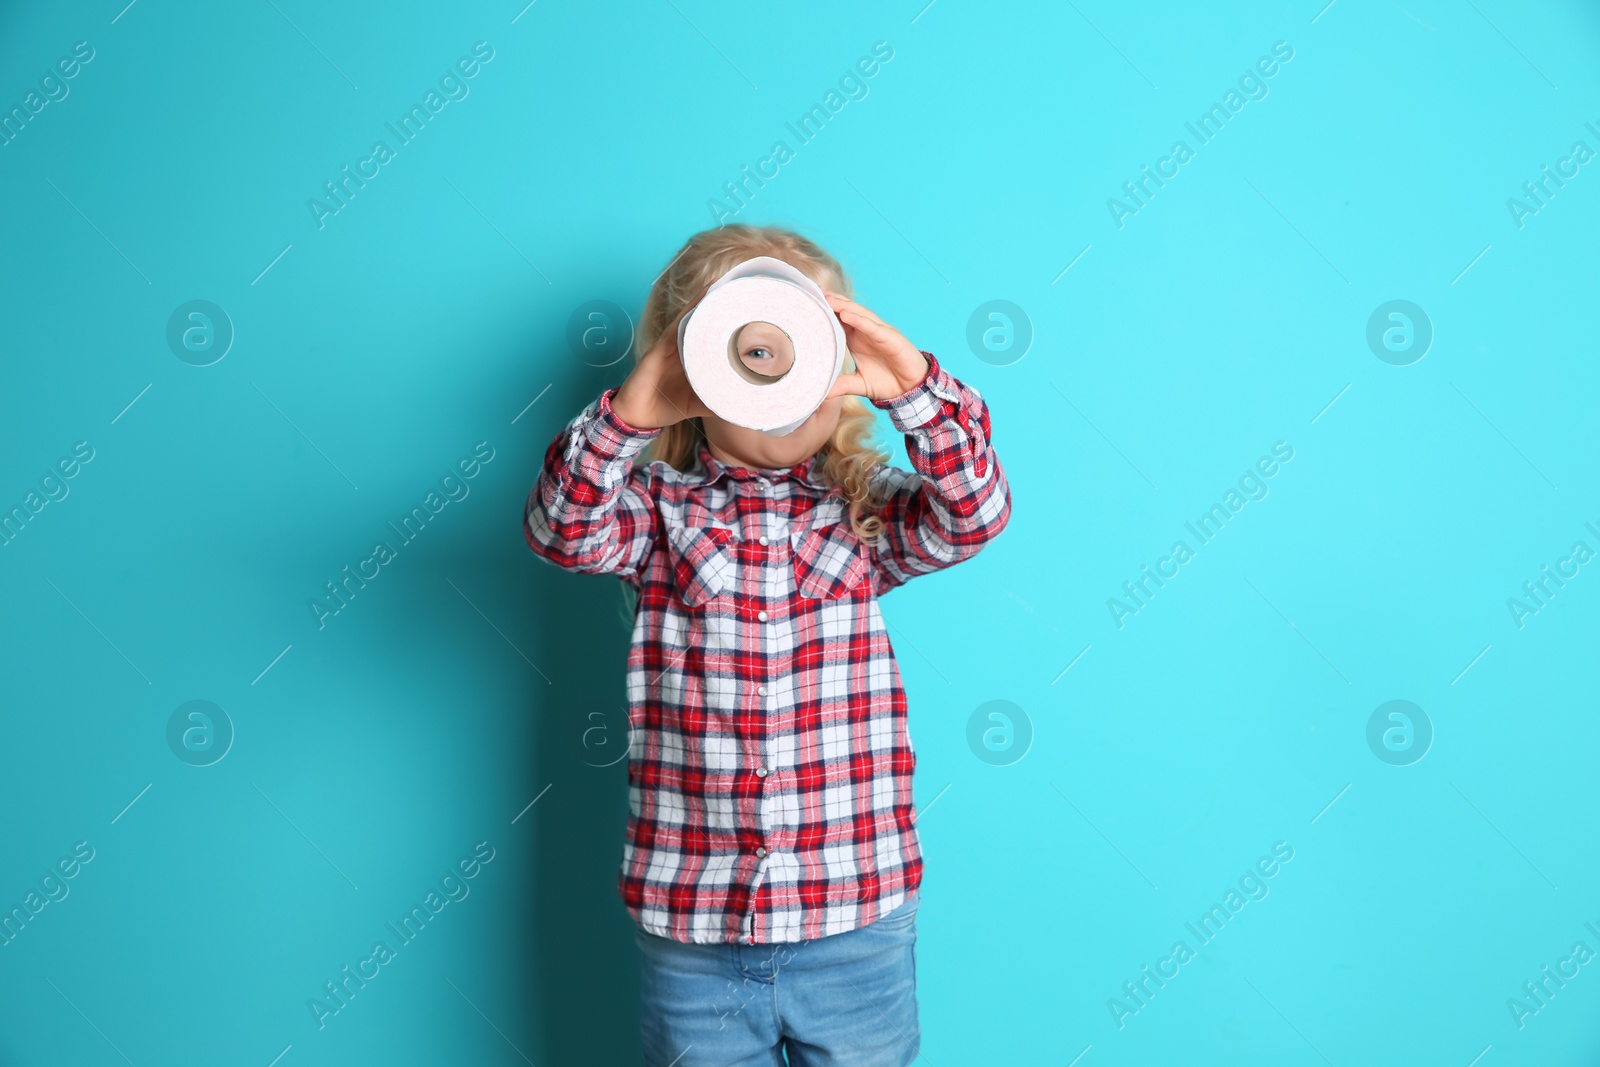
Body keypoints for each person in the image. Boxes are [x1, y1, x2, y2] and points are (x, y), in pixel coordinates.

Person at [523, 223, 1012, 1066]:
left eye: (807, 356)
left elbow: (974, 514)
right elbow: (561, 531)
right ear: (696, 375)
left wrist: (917, 392)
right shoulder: (657, 514)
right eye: (752, 355)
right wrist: (630, 414)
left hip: (854, 914)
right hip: (695, 927)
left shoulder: (865, 508)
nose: (785, 385)